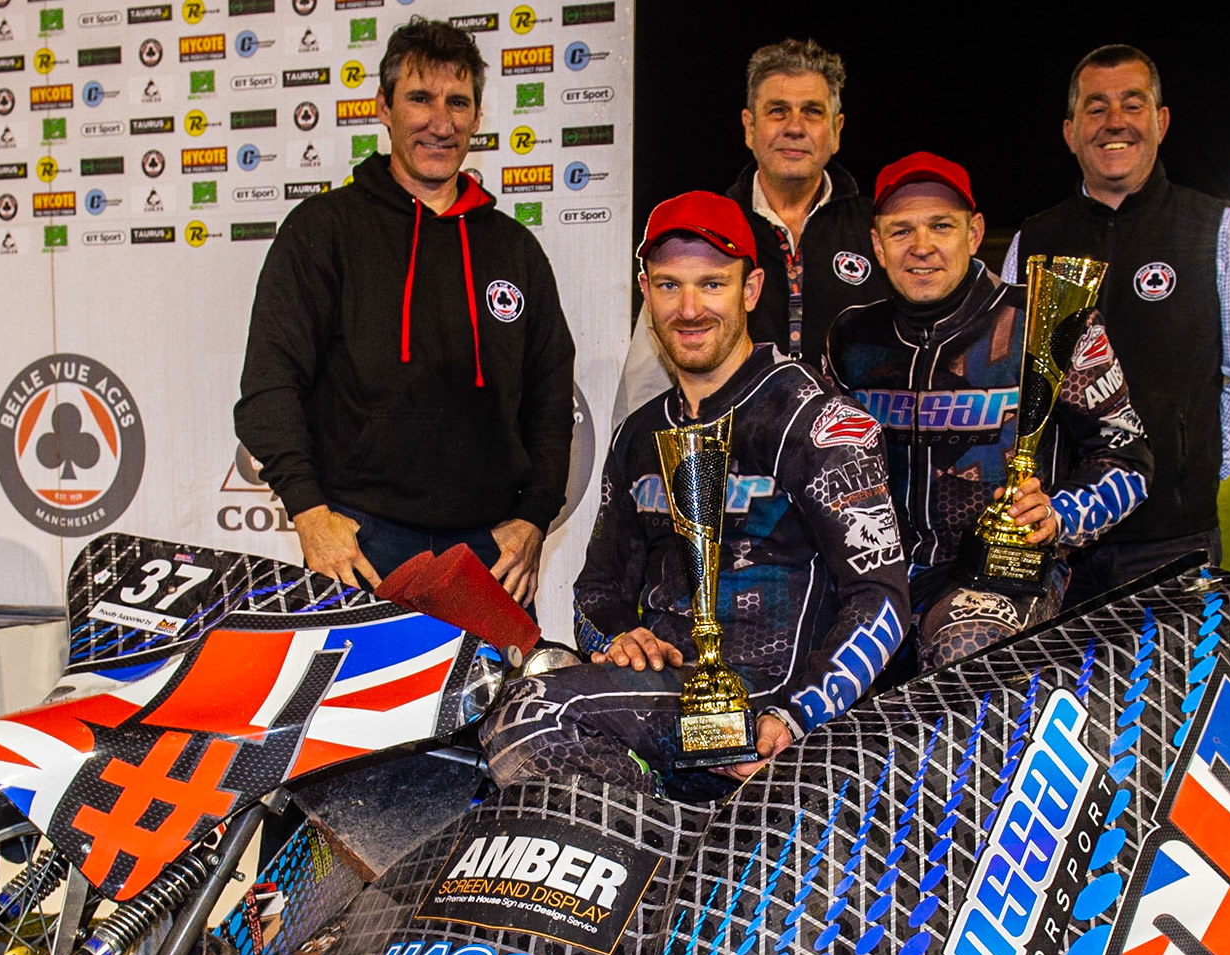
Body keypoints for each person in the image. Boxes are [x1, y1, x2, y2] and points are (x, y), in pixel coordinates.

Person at [483, 192, 910, 798]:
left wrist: (794, 717)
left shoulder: (814, 421)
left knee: (534, 716)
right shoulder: (640, 433)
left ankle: (671, 835)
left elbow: (882, 601)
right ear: (645, 291)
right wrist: (618, 639)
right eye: (668, 286)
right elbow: (596, 593)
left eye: (712, 285)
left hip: (764, 706)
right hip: (663, 696)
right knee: (500, 696)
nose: (689, 309)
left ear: (752, 289)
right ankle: (673, 845)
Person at [234, 17, 575, 607]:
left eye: (458, 102)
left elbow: (550, 397)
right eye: (420, 98)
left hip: (489, 552)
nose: (440, 123)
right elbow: (269, 385)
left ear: (477, 116)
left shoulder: (514, 249)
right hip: (360, 545)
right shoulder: (324, 231)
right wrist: (310, 513)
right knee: (354, 702)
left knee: (489, 704)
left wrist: (534, 519)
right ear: (384, 108)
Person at [825, 152, 1154, 669]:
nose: (922, 247)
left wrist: (1057, 515)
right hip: (876, 578)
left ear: (974, 233)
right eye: (901, 231)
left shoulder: (1049, 320)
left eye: (941, 226)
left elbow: (1128, 459)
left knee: (966, 651)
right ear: (877, 245)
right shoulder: (849, 336)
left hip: (999, 577)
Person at [1003, 44, 1230, 606]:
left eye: (1132, 105)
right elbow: (1009, 380)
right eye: (1095, 107)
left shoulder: (1221, 232)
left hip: (1169, 539)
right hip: (1056, 538)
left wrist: (1184, 474)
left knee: (1169, 694)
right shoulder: (1032, 241)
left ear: (1160, 122)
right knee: (1057, 693)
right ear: (1069, 129)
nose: (1114, 122)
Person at [612, 38, 890, 423]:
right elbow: (647, 382)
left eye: (812, 112)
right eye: (778, 111)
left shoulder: (878, 230)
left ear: (836, 129)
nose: (795, 127)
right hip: (733, 470)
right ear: (749, 126)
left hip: (852, 464)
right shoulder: (702, 230)